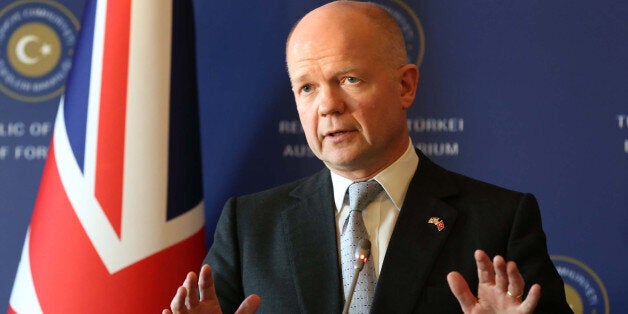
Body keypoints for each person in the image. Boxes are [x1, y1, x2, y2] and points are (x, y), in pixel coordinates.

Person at [164, 1, 572, 313]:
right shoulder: (249, 226)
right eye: (307, 88)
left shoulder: (499, 220)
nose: (328, 106)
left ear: (405, 86)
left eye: (349, 79)